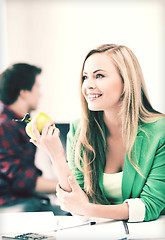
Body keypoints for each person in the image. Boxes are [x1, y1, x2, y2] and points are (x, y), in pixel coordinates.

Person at [30, 44, 165, 222]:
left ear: (126, 81)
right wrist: (56, 156)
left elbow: (150, 206)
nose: (88, 86)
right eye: (85, 77)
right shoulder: (79, 130)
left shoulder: (159, 130)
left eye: (99, 75)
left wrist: (87, 208)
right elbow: (75, 206)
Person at [0, 63, 63, 214]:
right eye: (36, 87)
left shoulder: (20, 124)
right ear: (24, 93)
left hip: (24, 200)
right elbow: (22, 181)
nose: (39, 94)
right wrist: (71, 185)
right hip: (11, 203)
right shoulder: (4, 126)